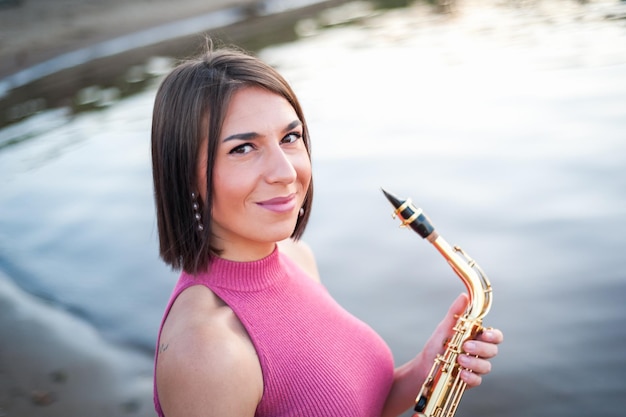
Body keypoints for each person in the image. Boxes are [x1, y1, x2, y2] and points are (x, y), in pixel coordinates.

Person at [150, 44, 504, 417]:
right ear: (184, 174)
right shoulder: (207, 349)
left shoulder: (295, 256)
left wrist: (431, 365)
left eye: (290, 138)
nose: (286, 172)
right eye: (243, 148)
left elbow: (353, 404)